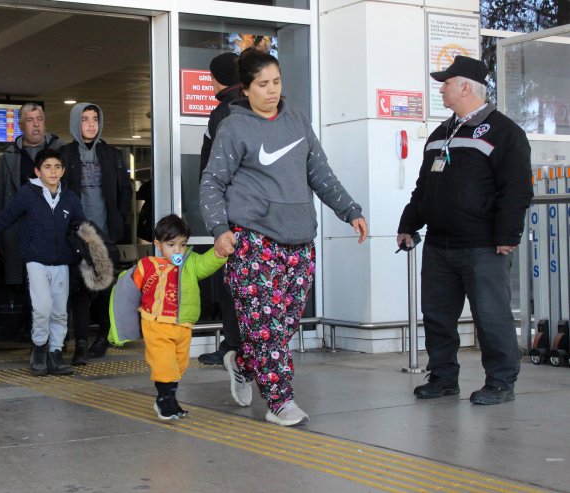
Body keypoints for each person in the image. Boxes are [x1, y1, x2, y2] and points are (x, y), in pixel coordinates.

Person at [199, 48, 368, 427]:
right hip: (253, 241)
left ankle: (242, 363)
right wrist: (220, 229)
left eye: (276, 81)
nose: (272, 90)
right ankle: (280, 401)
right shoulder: (234, 127)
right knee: (265, 328)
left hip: (298, 240)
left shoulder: (296, 120)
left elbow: (320, 173)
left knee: (283, 325)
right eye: (263, 84)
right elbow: (211, 182)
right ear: (246, 88)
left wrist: (351, 211)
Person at [397, 55, 533, 405]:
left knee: (491, 317)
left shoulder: (505, 132)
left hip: (483, 246)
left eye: (446, 82)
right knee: (438, 316)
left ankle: (501, 381)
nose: (441, 88)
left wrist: (507, 236)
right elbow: (423, 187)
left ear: (465, 87)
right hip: (440, 246)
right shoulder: (441, 133)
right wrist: (409, 224)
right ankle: (443, 378)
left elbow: (516, 189)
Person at [0, 149, 84, 376]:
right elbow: (5, 217)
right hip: (36, 261)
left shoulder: (70, 197)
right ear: (37, 171)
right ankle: (39, 349)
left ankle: (55, 354)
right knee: (42, 309)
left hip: (62, 263)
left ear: (63, 170)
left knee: (60, 311)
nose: (53, 171)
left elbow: (82, 227)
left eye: (57, 167)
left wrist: (95, 251)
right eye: (47, 167)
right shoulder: (27, 194)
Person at [110, 214, 227, 420]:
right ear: (158, 244)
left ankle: (169, 398)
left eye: (182, 244)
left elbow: (206, 264)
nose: (177, 250)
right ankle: (164, 399)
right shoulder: (147, 265)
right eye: (171, 244)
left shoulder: (190, 264)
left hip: (183, 324)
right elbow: (127, 291)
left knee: (179, 364)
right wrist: (125, 322)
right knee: (164, 363)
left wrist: (219, 252)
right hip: (156, 323)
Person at [61, 102, 132, 364]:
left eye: (95, 119)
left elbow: (125, 189)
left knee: (104, 288)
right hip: (77, 233)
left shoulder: (112, 154)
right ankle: (80, 343)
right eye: (85, 119)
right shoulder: (65, 153)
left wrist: (120, 217)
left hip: (106, 232)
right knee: (80, 289)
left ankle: (103, 335)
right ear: (75, 123)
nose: (91, 124)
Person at [197, 52, 243, 366]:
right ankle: (248, 344)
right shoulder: (254, 108)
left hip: (233, 215)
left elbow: (213, 169)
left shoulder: (223, 112)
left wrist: (217, 218)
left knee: (232, 283)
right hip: (256, 214)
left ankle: (232, 346)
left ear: (218, 78)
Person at [0, 103, 64, 286]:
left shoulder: (61, 153)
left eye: (40, 119)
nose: (36, 125)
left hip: (51, 234)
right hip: (16, 235)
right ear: (21, 125)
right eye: (30, 120)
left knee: (51, 293)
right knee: (19, 291)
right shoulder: (7, 158)